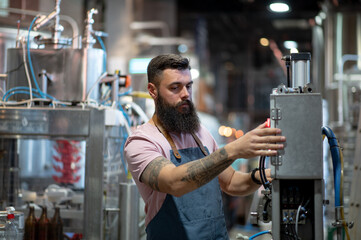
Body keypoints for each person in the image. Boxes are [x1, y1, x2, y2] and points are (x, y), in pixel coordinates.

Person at [124, 54, 286, 240]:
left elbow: (231, 182)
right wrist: (233, 150)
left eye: (189, 86)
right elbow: (174, 182)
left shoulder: (199, 133)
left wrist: (264, 175)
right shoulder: (142, 141)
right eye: (175, 88)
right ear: (152, 90)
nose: (185, 94)